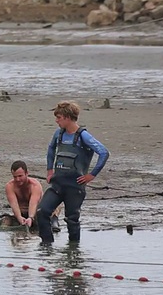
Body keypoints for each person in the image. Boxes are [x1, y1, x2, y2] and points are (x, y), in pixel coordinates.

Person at [36, 101, 109, 245]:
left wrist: (91, 175)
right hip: (57, 184)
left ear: (68, 117)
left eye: (59, 117)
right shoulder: (59, 134)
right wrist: (49, 170)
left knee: (72, 219)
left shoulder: (84, 136)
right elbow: (51, 150)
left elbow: (103, 152)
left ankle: (73, 251)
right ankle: (46, 246)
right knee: (41, 211)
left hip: (75, 187)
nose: (56, 121)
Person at [5, 160, 61, 233]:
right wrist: (19, 217)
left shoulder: (35, 185)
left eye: (20, 176)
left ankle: (54, 221)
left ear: (27, 173)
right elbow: (14, 205)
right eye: (15, 177)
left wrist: (31, 218)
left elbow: (33, 203)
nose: (18, 179)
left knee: (56, 204)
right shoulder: (10, 186)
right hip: (21, 213)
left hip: (36, 212)